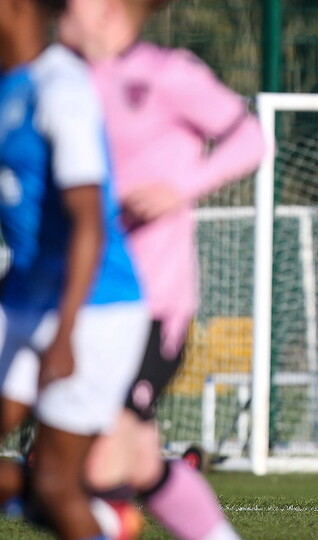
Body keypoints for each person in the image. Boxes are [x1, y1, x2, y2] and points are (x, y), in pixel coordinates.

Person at [34, 0, 266, 538]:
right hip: (79, 300)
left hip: (153, 304)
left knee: (93, 465)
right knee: (138, 463)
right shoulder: (59, 79)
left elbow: (251, 138)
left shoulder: (168, 73)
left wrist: (179, 190)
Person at [0, 0, 150, 538]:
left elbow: (89, 221)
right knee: (49, 490)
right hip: (22, 298)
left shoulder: (60, 87)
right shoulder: (8, 86)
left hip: (94, 309)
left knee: (58, 484)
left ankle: (82, 514)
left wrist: (64, 335)